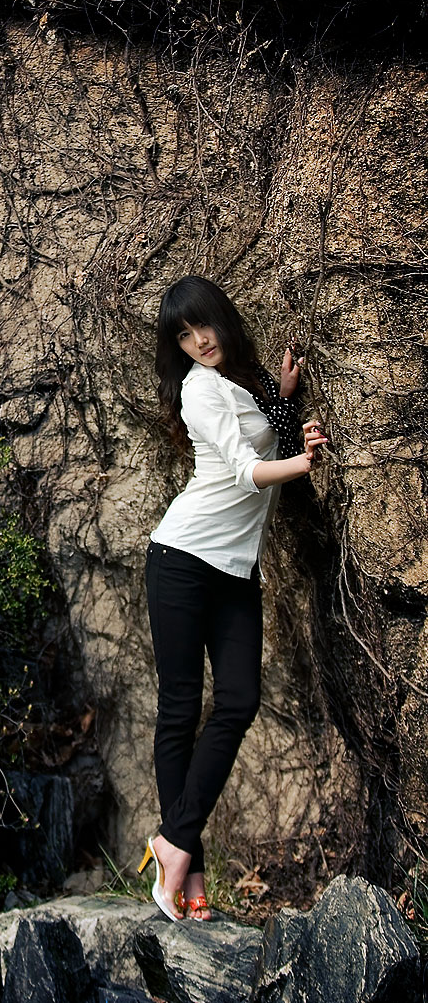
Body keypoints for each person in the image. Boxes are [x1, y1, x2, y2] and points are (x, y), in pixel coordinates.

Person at [137, 275, 328, 922]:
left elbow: (263, 431)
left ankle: (172, 845)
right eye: (183, 335)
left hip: (235, 570)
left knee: (239, 700)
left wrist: (283, 397)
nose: (198, 341)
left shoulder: (241, 382)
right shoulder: (198, 389)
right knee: (179, 709)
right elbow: (247, 473)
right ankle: (187, 874)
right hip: (182, 561)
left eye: (203, 325)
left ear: (221, 317)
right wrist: (304, 462)